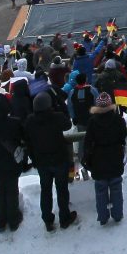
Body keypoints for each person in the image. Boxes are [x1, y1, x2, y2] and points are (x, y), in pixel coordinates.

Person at [24, 90, 78, 231]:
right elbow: (68, 124)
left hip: (42, 162)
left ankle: (48, 220)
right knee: (62, 189)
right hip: (59, 160)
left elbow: (28, 141)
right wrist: (60, 103)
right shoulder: (56, 117)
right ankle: (64, 218)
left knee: (45, 191)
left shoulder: (30, 120)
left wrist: (33, 159)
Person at [83, 92, 127, 225]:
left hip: (98, 158)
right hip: (115, 156)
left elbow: (87, 142)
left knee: (100, 190)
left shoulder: (92, 122)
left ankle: (103, 217)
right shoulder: (118, 120)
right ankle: (117, 214)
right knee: (116, 187)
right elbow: (123, 136)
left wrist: (87, 158)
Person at [0, 93, 26, 232]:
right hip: (11, 162)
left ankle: (1, 220)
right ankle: (13, 220)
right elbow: (22, 136)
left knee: (0, 190)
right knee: (12, 190)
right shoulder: (14, 123)